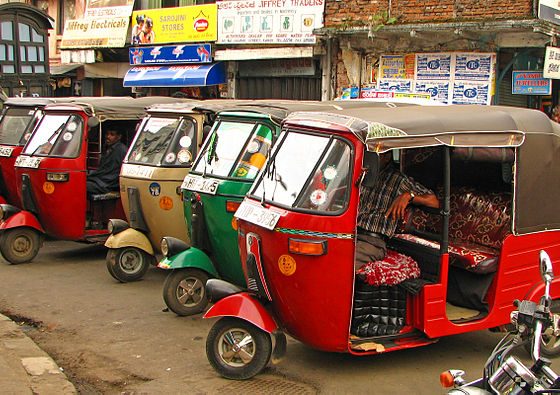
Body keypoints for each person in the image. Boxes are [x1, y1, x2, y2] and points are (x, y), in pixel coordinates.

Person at [355, 152, 440, 269]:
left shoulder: (399, 180)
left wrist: (409, 196)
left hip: (372, 242)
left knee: (343, 265)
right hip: (350, 235)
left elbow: (434, 201)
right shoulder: (363, 174)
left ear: (387, 157)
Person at [87, 129, 127, 197]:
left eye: (112, 134)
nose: (108, 136)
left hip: (107, 184)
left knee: (81, 186)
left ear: (119, 137)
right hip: (101, 181)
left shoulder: (122, 150)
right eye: (107, 134)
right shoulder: (108, 149)